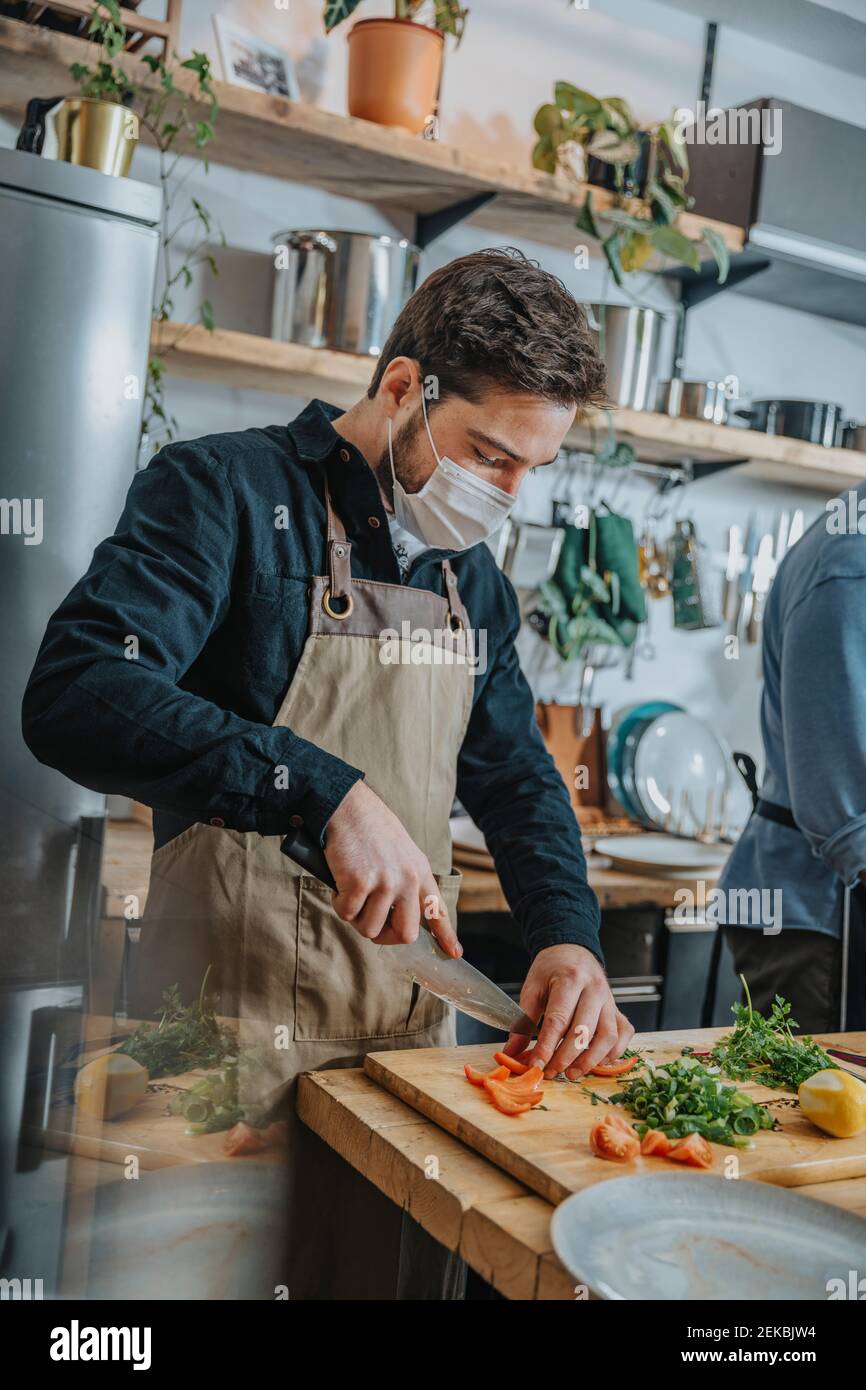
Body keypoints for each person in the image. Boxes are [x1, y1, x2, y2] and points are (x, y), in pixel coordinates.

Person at [23, 247, 631, 1296]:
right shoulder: (222, 491)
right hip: (214, 1057)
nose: (507, 495)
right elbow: (76, 690)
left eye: (531, 468)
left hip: (400, 1070)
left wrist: (565, 937)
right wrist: (322, 789)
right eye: (489, 455)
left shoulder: (469, 583)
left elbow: (516, 776)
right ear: (403, 388)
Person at [718, 486, 866, 1034]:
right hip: (822, 919)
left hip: (818, 912)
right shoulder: (851, 568)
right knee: (810, 1113)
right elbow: (849, 821)